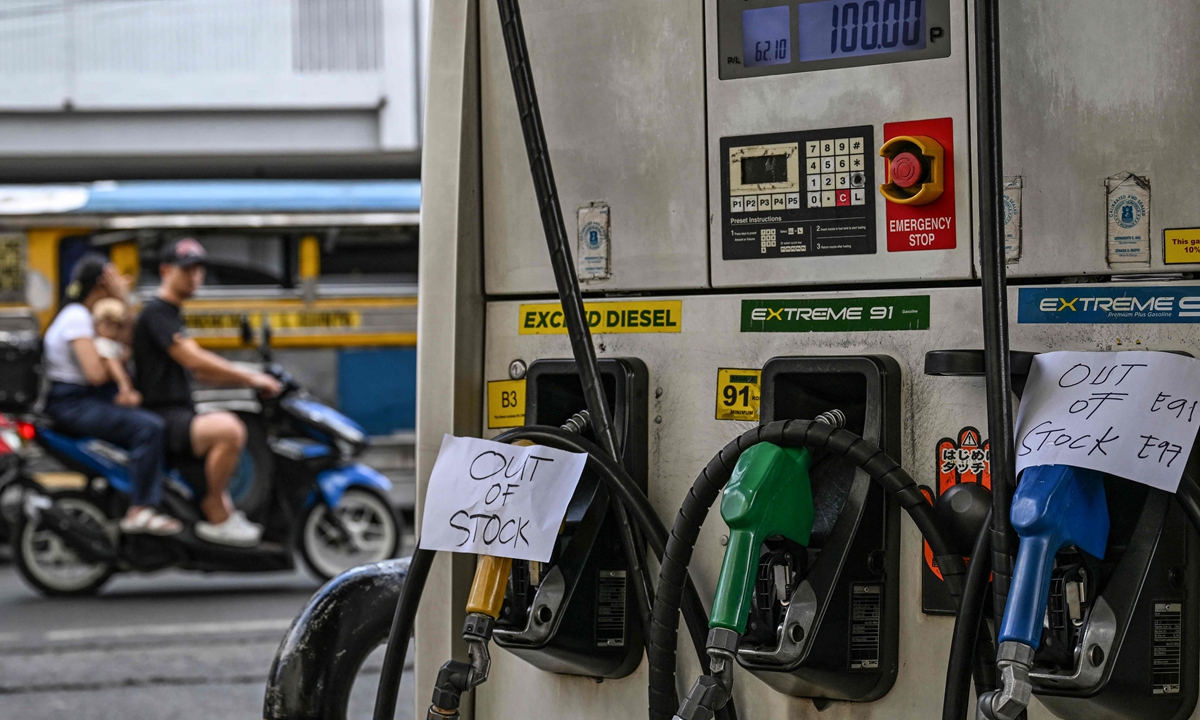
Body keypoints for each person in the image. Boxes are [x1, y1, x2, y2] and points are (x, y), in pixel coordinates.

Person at [132, 238, 282, 547]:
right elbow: (193, 358)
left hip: (178, 412)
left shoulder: (171, 313)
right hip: (163, 415)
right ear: (164, 270)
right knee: (229, 431)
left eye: (198, 270)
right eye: (186, 269)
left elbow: (199, 370)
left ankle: (220, 509)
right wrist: (251, 377)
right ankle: (215, 508)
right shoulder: (157, 313)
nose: (194, 276)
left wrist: (243, 380)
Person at [42, 254, 182, 536]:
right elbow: (96, 373)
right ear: (103, 282)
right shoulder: (76, 317)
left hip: (85, 399)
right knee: (148, 428)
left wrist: (125, 308)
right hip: (73, 402)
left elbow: (125, 345)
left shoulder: (89, 317)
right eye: (115, 277)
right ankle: (141, 507)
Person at [91, 298, 141, 408]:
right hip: (109, 388)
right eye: (108, 325)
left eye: (116, 326)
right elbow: (111, 363)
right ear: (97, 325)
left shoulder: (114, 343)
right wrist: (124, 384)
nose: (112, 330)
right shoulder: (102, 343)